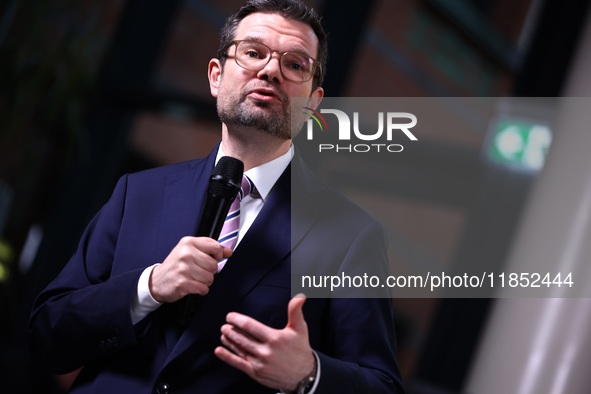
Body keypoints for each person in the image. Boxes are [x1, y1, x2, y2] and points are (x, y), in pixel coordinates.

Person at [28, 0, 405, 393]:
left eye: (295, 65)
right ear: (215, 76)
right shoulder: (138, 193)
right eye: (254, 53)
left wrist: (308, 376)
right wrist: (149, 287)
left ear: (312, 104)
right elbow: (46, 334)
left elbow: (383, 387)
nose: (270, 70)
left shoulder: (350, 236)